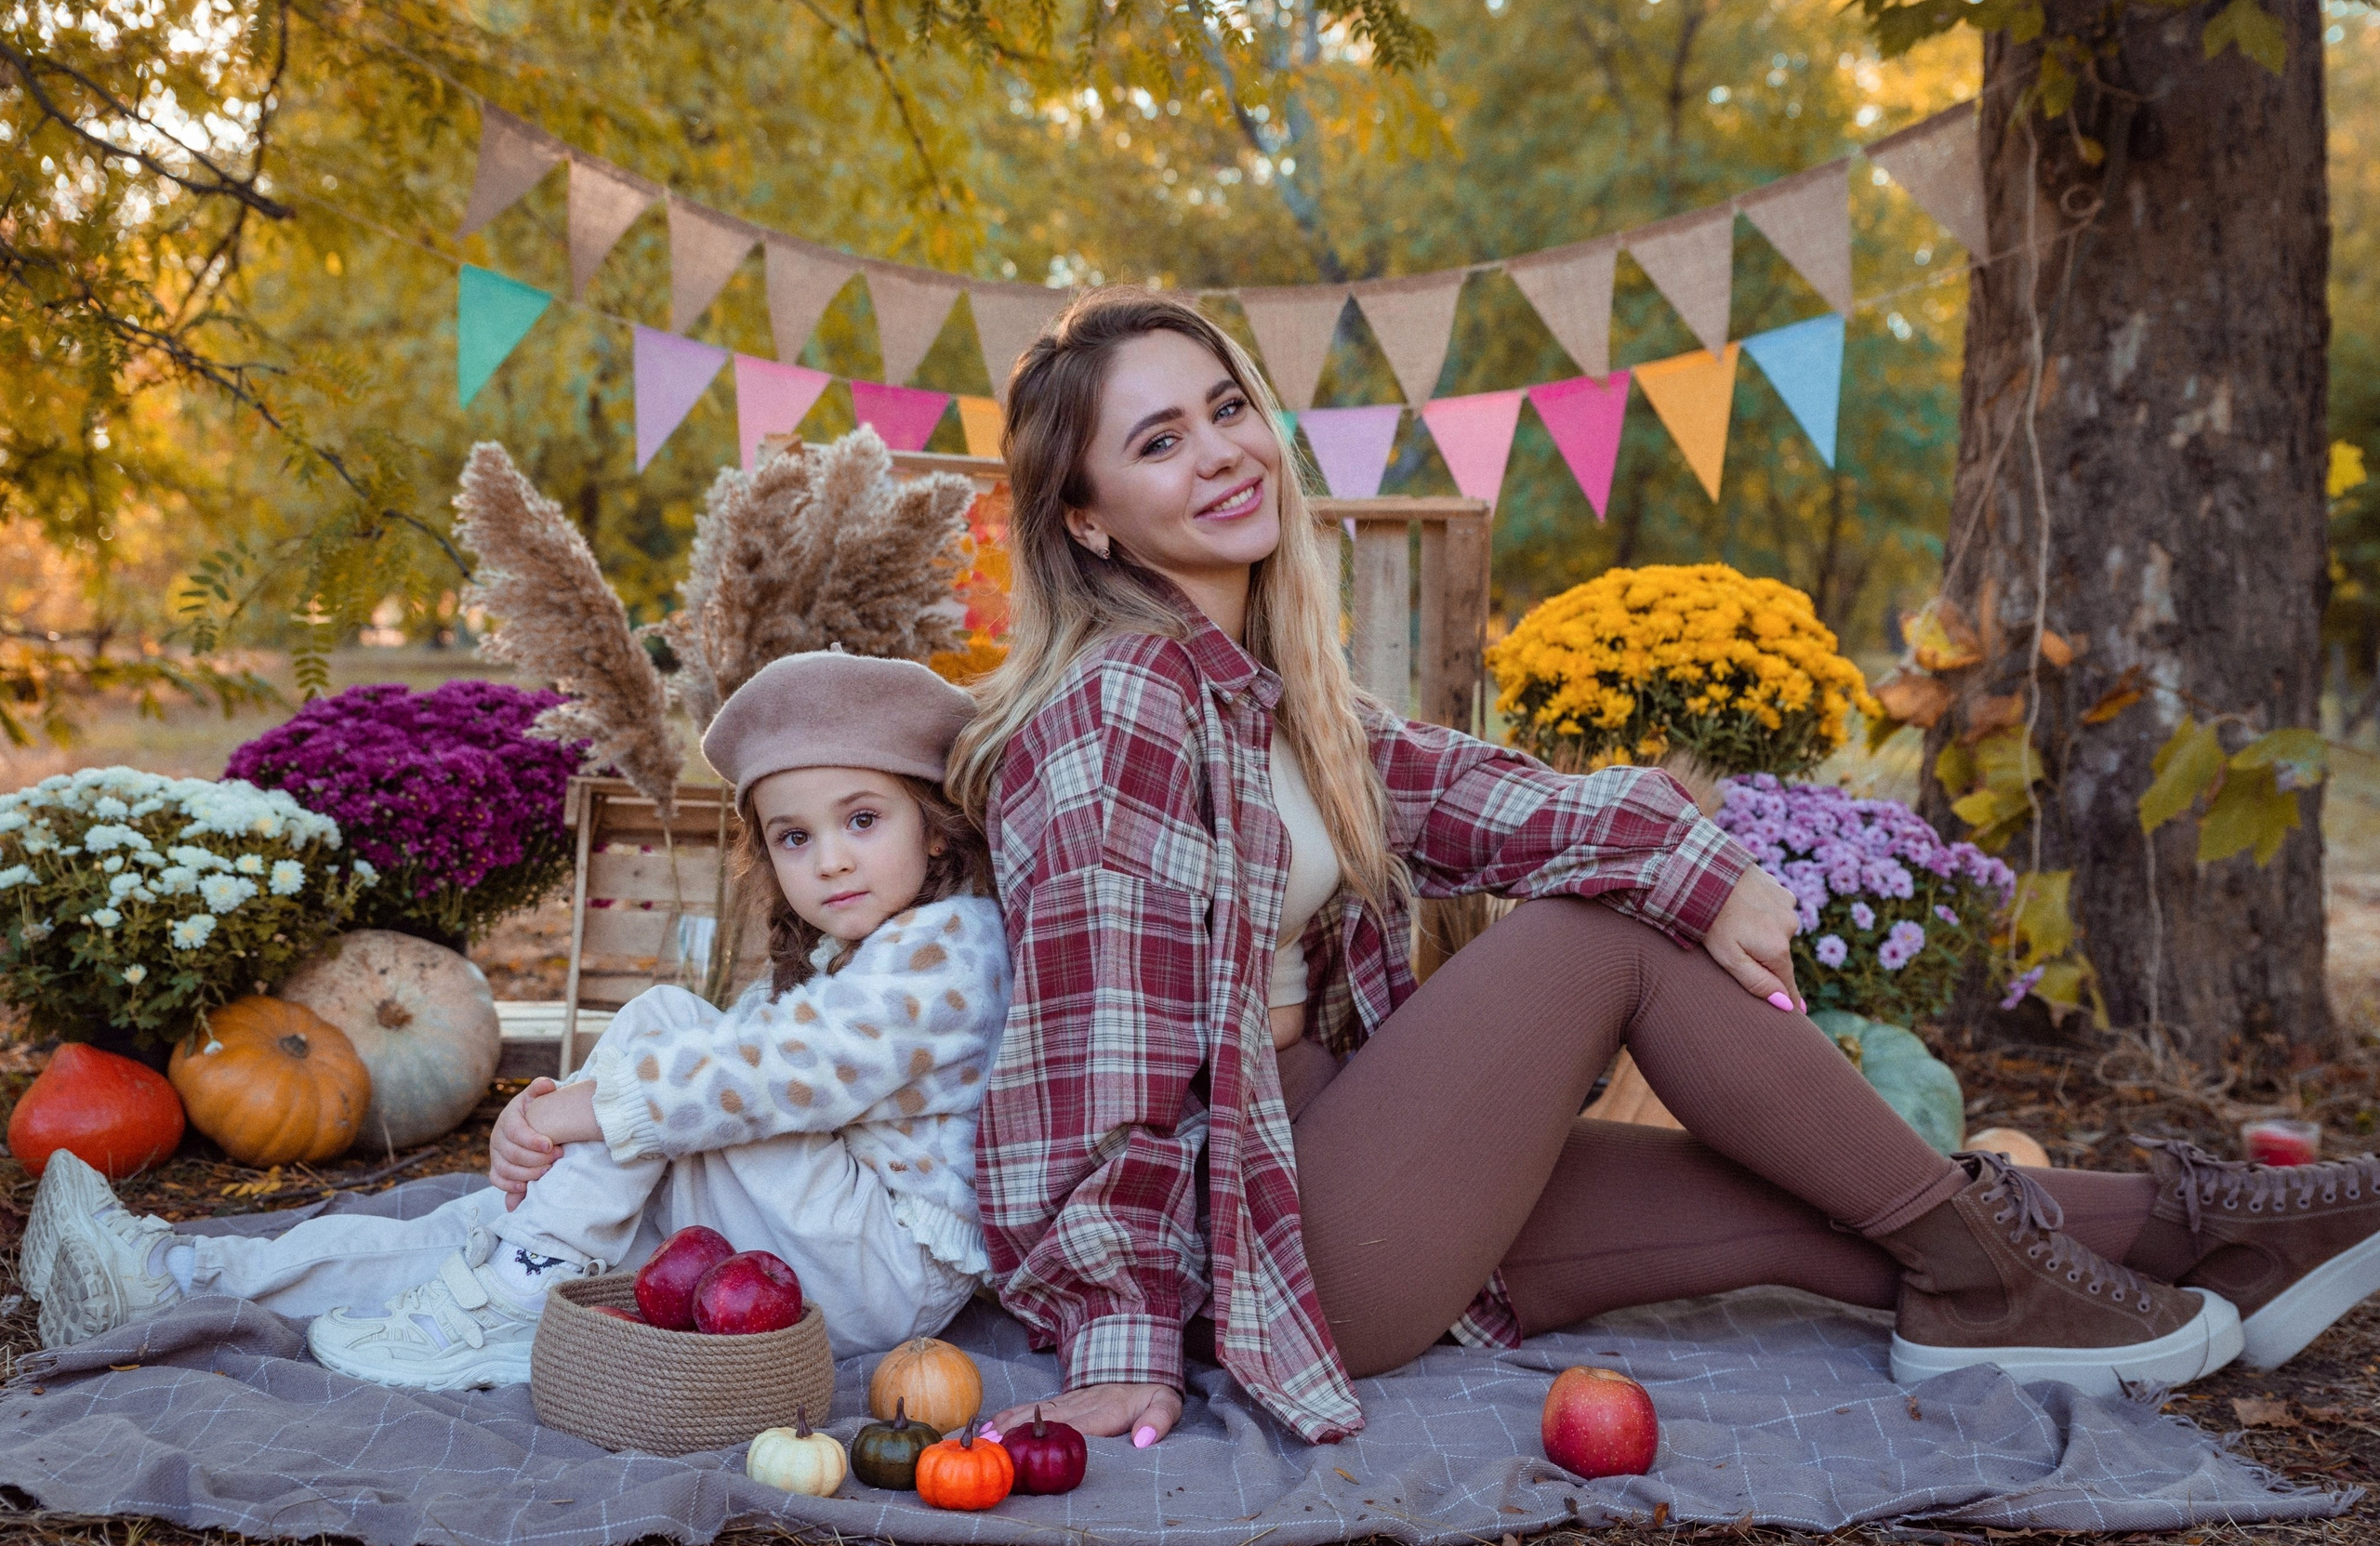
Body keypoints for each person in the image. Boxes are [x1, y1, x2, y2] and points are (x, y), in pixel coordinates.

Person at [945, 285, 2380, 1448]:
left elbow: (1494, 799)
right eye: (1156, 443)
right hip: (1270, 1241)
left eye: (1227, 407)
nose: (1219, 451)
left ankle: (2231, 1228)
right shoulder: (1115, 709)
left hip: (1359, 1160)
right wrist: (1125, 1341)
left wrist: (1693, 855)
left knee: (1814, 1212)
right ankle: (2006, 1271)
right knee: (1600, 937)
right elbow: (1097, 1071)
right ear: (1085, 519)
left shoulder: (1270, 690)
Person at [28, 651, 1013, 1387]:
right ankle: (182, 1272)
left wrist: (570, 1112)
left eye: (862, 819)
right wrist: (570, 1119)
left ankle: (511, 1291)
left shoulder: (953, 946)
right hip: (802, 1225)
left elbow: (771, 1075)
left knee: (666, 1022)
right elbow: (741, 1076)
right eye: (796, 835)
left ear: (934, 828)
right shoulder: (853, 949)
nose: (830, 860)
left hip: (882, 1263)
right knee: (490, 1227)